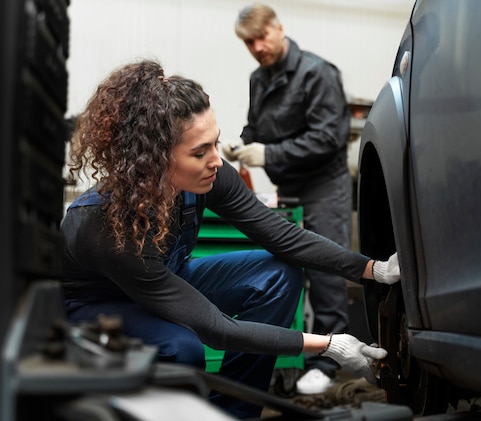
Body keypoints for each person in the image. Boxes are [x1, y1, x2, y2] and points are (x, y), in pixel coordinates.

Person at [62, 59, 400, 419]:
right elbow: (214, 328)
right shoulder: (102, 224)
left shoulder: (210, 176)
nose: (216, 161)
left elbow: (282, 236)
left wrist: (372, 269)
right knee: (182, 348)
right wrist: (329, 345)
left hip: (165, 280)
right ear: (155, 160)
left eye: (215, 143)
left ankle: (235, 412)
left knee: (277, 274)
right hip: (100, 308)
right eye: (199, 152)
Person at [226, 3, 355, 395]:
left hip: (324, 186)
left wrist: (268, 155)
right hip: (289, 187)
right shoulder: (258, 78)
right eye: (249, 42)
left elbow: (328, 138)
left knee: (326, 271)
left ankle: (329, 364)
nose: (258, 47)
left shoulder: (317, 73)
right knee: (285, 267)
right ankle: (290, 354)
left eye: (262, 36)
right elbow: (257, 125)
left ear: (279, 29)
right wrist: (243, 143)